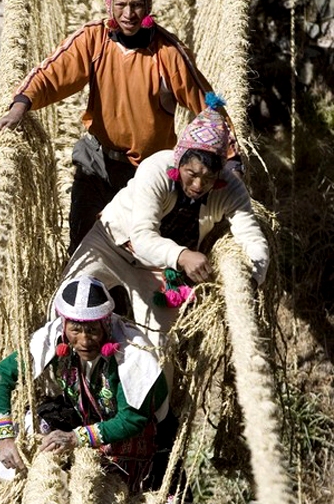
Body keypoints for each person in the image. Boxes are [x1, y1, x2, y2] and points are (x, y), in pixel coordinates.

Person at [0, 0, 241, 254]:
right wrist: (21, 104)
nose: (129, 13)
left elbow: (207, 104)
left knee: (137, 251)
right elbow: (51, 73)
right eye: (121, 4)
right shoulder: (92, 40)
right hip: (97, 162)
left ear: (148, 6)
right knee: (84, 246)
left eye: (136, 4)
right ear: (109, 4)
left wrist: (230, 159)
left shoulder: (167, 53)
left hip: (149, 173)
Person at [0, 275, 192, 504]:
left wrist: (76, 438)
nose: (84, 340)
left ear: (107, 325)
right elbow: (2, 377)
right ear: (64, 324)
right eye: (76, 330)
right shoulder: (52, 339)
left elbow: (131, 419)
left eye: (93, 331)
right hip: (82, 413)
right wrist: (3, 438)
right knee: (29, 426)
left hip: (146, 436)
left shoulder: (134, 355)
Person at [57, 94, 269, 350]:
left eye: (209, 178)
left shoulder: (230, 190)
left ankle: (148, 388)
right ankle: (58, 383)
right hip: (110, 244)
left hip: (157, 269)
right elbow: (143, 236)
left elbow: (252, 238)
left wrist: (253, 279)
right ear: (178, 161)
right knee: (67, 310)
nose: (198, 185)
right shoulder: (155, 169)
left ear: (220, 174)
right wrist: (183, 256)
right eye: (191, 174)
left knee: (162, 346)